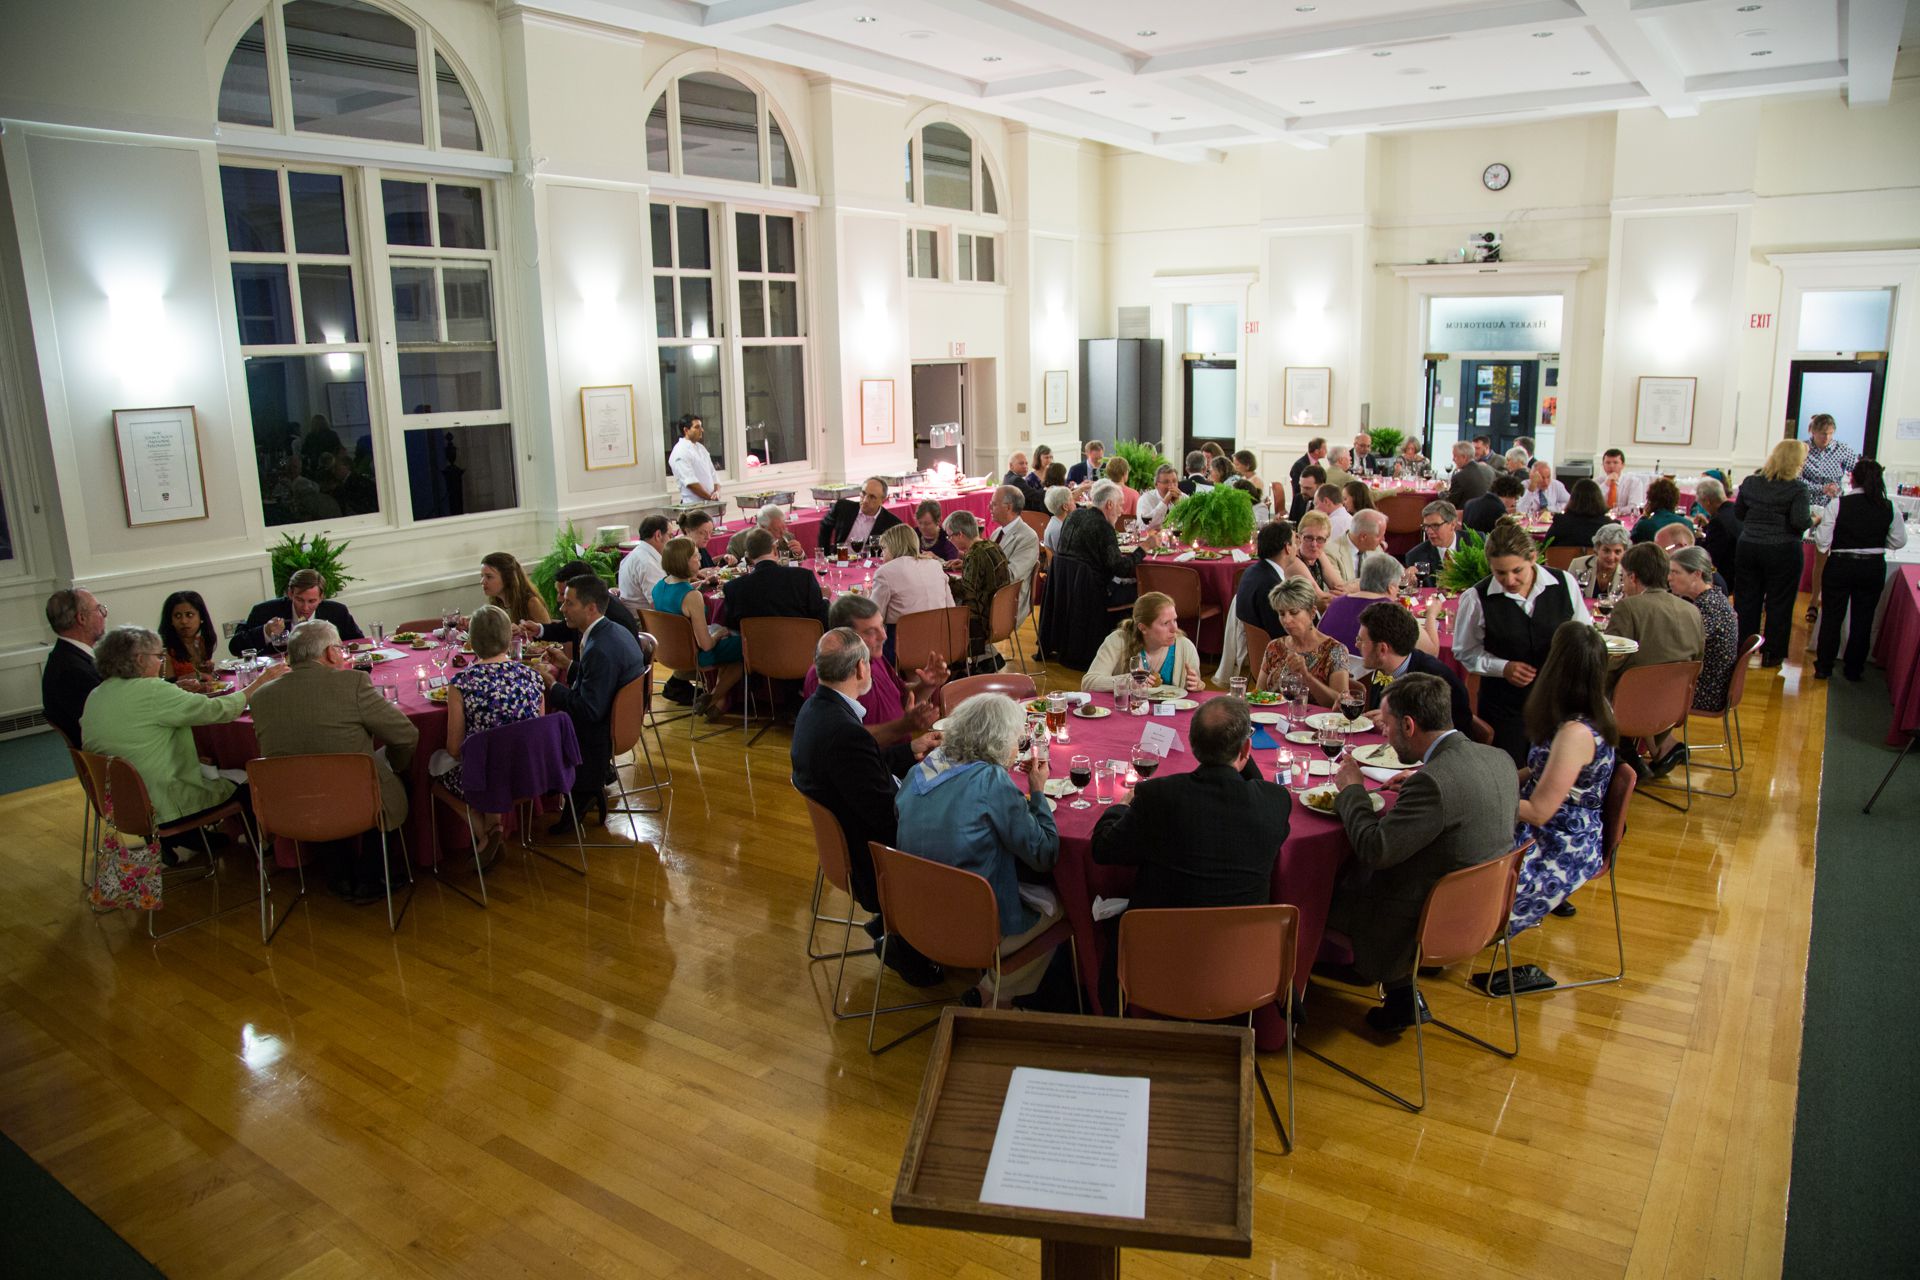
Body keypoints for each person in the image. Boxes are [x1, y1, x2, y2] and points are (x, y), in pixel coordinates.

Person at [1325, 673, 1519, 1030]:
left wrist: (1352, 790)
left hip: (1423, 921)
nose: (1384, 734)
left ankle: (1304, 989)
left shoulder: (1433, 783)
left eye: (1387, 725)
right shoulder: (1499, 758)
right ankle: (1401, 997)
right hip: (1485, 908)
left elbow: (1374, 849)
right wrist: (1421, 779)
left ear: (1409, 725)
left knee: (1320, 886)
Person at [791, 627, 943, 988]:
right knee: (967, 834)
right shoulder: (844, 733)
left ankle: (896, 923)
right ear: (861, 669)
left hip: (845, 844)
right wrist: (940, 806)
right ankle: (913, 941)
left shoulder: (815, 709)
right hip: (873, 860)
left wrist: (909, 750)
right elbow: (888, 818)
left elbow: (860, 771)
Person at [895, 693, 1062, 1002]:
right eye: (1017, 740)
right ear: (999, 741)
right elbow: (1044, 854)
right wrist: (1038, 792)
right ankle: (992, 994)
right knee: (1063, 905)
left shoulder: (920, 769)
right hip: (971, 926)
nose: (1018, 748)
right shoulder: (990, 780)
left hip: (912, 914)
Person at [250, 619, 421, 899]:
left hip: (289, 805)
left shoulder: (260, 697)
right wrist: (394, 765)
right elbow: (406, 736)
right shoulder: (351, 683)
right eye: (340, 649)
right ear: (331, 653)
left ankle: (339, 874)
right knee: (391, 781)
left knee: (314, 775)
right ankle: (372, 875)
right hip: (355, 799)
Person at [81, 626, 286, 840]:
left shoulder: (96, 695)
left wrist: (175, 691)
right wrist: (260, 683)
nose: (162, 662)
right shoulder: (153, 691)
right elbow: (218, 710)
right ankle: (263, 847)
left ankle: (198, 841)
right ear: (140, 660)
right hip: (162, 804)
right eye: (159, 657)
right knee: (250, 778)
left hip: (119, 804)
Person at [1091, 697, 1291, 911]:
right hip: (1247, 931)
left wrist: (1121, 806)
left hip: (1163, 931)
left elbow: (1103, 849)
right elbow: (1258, 787)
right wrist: (1242, 751)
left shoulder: (1158, 796)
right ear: (1246, 748)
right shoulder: (1276, 801)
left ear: (1192, 743)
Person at [1508, 622, 1618, 949]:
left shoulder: (1576, 734)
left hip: (1560, 840)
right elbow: (1538, 770)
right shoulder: (1589, 708)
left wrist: (1484, 798)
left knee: (1468, 864)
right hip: (1551, 826)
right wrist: (1491, 780)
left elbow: (1539, 812)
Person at [1454, 520, 1593, 764]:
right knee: (1509, 772)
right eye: (1500, 572)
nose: (1509, 580)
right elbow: (1465, 651)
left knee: (1555, 770)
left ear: (1533, 558)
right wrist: (1503, 667)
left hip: (1557, 702)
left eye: (1517, 570)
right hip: (1504, 709)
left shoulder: (1564, 583)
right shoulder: (1476, 598)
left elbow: (1582, 636)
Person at [430, 606, 549, 866]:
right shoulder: (533, 676)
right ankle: (493, 828)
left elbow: (454, 749)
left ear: (472, 643)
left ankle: (483, 830)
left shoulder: (462, 683)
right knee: (494, 759)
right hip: (528, 772)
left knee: (436, 782)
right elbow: (537, 732)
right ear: (508, 640)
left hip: (483, 779)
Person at [540, 574, 648, 830]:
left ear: (590, 608)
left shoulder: (599, 647)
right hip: (623, 719)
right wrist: (568, 665)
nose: (562, 609)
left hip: (600, 732)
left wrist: (552, 685)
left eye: (569, 603)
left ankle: (571, 790)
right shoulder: (613, 630)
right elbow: (602, 680)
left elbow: (588, 710)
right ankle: (574, 788)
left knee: (538, 726)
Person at [799, 595, 945, 760]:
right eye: (870, 631)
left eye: (882, 626)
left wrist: (926, 685)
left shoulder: (874, 657)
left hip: (902, 755)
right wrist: (903, 726)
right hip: (867, 764)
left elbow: (902, 698)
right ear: (846, 637)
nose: (884, 636)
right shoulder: (827, 674)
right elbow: (843, 741)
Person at [1604, 543, 1704, 776]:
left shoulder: (1628, 608)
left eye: (1624, 577)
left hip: (1630, 705)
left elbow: (1612, 661)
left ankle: (1616, 759)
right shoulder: (1692, 610)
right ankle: (1635, 753)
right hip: (1675, 703)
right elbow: (1698, 660)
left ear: (1633, 577)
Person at [1815, 457, 1906, 682]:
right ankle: (1854, 668)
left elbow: (1822, 542)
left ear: (1853, 478)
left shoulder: (1838, 504)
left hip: (1840, 564)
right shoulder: (1889, 506)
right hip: (1872, 566)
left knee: (1832, 617)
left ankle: (1824, 666)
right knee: (1863, 619)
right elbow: (1899, 541)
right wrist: (1878, 542)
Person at [1734, 438, 1812, 668]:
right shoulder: (1797, 488)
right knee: (1780, 602)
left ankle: (1743, 649)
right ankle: (1772, 653)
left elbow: (1739, 513)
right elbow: (1799, 521)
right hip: (1782, 548)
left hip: (1749, 546)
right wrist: (1814, 520)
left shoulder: (1751, 482)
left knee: (1746, 600)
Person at [651, 538, 744, 722]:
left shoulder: (659, 586)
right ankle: (714, 698)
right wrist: (719, 633)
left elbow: (679, 597)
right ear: (683, 562)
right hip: (693, 654)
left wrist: (700, 586)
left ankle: (718, 701)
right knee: (744, 647)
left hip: (668, 651)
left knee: (730, 649)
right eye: (695, 556)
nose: (700, 558)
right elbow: (706, 645)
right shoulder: (692, 597)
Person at [1355, 602, 1473, 738]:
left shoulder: (1435, 680)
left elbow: (1451, 737)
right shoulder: (1382, 668)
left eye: (1361, 640)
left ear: (1382, 649)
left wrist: (1394, 721)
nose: (1356, 644)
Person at [1665, 546, 1738, 762]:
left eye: (1675, 572)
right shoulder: (1712, 599)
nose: (1669, 578)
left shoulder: (1709, 607)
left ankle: (1662, 748)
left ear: (1696, 574)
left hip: (1706, 691)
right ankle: (1657, 747)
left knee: (1638, 689)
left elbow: (1680, 648)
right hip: (1710, 684)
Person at [1081, 591, 1202, 693]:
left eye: (1175, 620)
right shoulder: (1118, 641)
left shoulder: (1185, 647)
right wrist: (1126, 681)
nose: (1174, 628)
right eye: (1165, 623)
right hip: (1129, 711)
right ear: (1143, 628)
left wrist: (1197, 685)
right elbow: (1088, 683)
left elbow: (1198, 687)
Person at [1256, 578, 1352, 706]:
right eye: (1282, 613)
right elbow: (1259, 695)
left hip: (1317, 719)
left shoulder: (1334, 650)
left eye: (1294, 612)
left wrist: (1306, 677)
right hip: (1276, 717)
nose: (1287, 620)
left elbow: (1341, 703)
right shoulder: (1274, 647)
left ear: (1312, 612)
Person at [230, 568, 363, 656]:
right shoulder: (265, 611)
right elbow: (235, 648)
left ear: (321, 597)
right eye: (299, 600)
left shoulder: (337, 612)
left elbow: (359, 643)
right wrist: (266, 631)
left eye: (312, 601)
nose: (305, 607)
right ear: (290, 594)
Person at [1057, 480, 1144, 607]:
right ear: (1109, 504)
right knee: (1146, 590)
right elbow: (1121, 569)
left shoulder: (1073, 515)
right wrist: (1143, 548)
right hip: (1094, 594)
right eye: (1120, 505)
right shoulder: (1103, 526)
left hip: (1066, 589)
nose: (1121, 511)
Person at [41, 587, 107, 746]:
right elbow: (109, 716)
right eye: (99, 609)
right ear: (82, 618)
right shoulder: (72, 672)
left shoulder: (67, 657)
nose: (104, 614)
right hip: (107, 752)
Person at [723, 528, 829, 628]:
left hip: (755, 641)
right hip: (802, 639)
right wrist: (825, 598)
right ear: (775, 549)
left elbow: (733, 627)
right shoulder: (804, 577)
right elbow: (822, 619)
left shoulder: (732, 588)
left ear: (749, 556)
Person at [946, 510, 1012, 670]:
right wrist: (965, 565)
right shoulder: (992, 546)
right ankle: (988, 657)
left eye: (950, 536)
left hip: (984, 616)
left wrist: (945, 579)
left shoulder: (974, 555)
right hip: (1002, 612)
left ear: (960, 534)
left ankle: (959, 664)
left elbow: (967, 591)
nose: (949, 540)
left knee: (946, 615)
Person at [523, 561, 638, 647]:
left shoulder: (612, 623)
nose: (558, 600)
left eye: (564, 595)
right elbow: (565, 629)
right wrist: (538, 629)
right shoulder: (588, 610)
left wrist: (567, 666)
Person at [1235, 522, 1312, 646]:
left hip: (1250, 647)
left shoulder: (1251, 571)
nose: (1297, 547)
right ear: (1287, 547)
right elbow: (1282, 631)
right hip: (1272, 651)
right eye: (1294, 543)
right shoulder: (1272, 586)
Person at [870, 522, 954, 624]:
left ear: (892, 547)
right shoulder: (935, 565)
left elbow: (874, 617)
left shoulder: (884, 572)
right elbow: (951, 608)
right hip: (939, 630)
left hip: (903, 633)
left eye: (883, 548)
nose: (882, 554)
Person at [1320, 553, 1404, 652]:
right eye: (1398, 587)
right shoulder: (1391, 611)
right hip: (1368, 662)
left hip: (1327, 660)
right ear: (1391, 587)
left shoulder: (1334, 604)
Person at [989, 484, 1041, 624]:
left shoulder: (1028, 537)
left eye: (994, 504)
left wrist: (979, 570)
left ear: (1008, 507)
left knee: (960, 612)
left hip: (1009, 602)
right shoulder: (997, 532)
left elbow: (1010, 576)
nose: (989, 508)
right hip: (991, 594)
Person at [821, 477, 903, 556]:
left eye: (872, 497)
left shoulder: (893, 524)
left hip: (870, 564)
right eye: (863, 493)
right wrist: (826, 555)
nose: (865, 500)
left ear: (883, 501)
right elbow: (825, 526)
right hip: (840, 561)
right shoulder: (843, 507)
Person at [157, 590, 219, 682]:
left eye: (189, 615)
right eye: (177, 616)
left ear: (201, 617)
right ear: (170, 621)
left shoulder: (201, 642)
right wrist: (190, 677)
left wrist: (207, 672)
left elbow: (204, 679)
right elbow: (166, 686)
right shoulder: (164, 650)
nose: (184, 621)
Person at [478, 551, 551, 627]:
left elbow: (549, 633)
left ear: (507, 578)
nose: (482, 582)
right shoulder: (495, 605)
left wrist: (522, 632)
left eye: (489, 577)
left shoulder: (531, 603)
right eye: (482, 576)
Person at [1325, 509, 1388, 590]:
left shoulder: (1376, 549)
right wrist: (1371, 582)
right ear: (1363, 537)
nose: (1382, 540)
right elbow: (1339, 589)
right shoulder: (1330, 552)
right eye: (1379, 536)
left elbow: (1388, 577)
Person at [617, 516, 670, 609]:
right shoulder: (647, 563)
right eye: (670, 536)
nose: (672, 541)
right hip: (645, 617)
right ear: (658, 535)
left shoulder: (638, 553)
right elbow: (660, 604)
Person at [1692, 476, 1741, 576]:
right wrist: (1707, 526)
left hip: (1727, 574)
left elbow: (1710, 557)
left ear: (1708, 502)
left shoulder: (1718, 521)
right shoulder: (1737, 510)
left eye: (1701, 503)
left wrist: (1697, 539)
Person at [1567, 523, 1631, 597]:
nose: (1611, 557)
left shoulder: (1628, 571)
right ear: (1597, 549)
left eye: (1617, 552)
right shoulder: (1578, 564)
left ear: (1624, 552)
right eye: (1606, 550)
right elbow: (1566, 594)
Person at [1547, 479, 1612, 550]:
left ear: (1573, 499)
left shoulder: (1560, 523)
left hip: (1563, 557)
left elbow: (1544, 549)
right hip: (1596, 557)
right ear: (1599, 499)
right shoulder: (1608, 526)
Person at [668, 414, 719, 502]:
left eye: (701, 427)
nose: (702, 430)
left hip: (711, 502)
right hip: (693, 503)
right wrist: (710, 498)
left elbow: (713, 475)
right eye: (697, 427)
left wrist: (716, 492)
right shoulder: (680, 451)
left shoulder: (701, 448)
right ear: (686, 430)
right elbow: (691, 483)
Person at [727, 505, 805, 562]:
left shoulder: (788, 537)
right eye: (776, 529)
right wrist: (731, 560)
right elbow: (730, 567)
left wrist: (799, 553)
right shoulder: (738, 541)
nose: (782, 532)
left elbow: (801, 563)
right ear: (762, 528)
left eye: (784, 527)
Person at [1293, 511, 1338, 609]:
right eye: (1308, 538)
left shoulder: (1319, 554)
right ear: (1298, 537)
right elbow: (1322, 599)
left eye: (1320, 539)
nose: (1314, 544)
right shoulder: (1294, 561)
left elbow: (1338, 586)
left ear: (1326, 541)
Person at [1630, 477, 1690, 544]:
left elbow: (1633, 543)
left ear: (1650, 499)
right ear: (1676, 500)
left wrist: (1644, 516)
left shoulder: (1644, 525)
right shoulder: (1688, 524)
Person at [1443, 441, 1494, 509]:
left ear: (1464, 457)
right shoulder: (1489, 470)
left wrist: (1441, 492)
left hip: (1467, 513)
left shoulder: (1459, 477)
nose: (1453, 459)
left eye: (1455, 456)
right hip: (1489, 510)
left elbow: (1450, 504)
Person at [1597, 448, 1648, 515]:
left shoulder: (1634, 482)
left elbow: (1634, 508)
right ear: (1603, 465)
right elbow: (1593, 504)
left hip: (1623, 519)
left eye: (1615, 462)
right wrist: (1606, 484)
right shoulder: (1596, 482)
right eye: (1608, 463)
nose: (1611, 466)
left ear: (1623, 465)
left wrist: (1612, 512)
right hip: (1601, 519)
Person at [1135, 464, 1182, 529]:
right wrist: (1165, 502)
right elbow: (1142, 527)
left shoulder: (1184, 498)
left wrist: (1179, 505)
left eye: (1174, 481)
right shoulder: (1145, 499)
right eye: (1166, 482)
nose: (1171, 486)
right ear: (1156, 484)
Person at [1314, 483, 1353, 547]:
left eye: (1316, 504)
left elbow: (1321, 548)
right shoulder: (1351, 519)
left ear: (1326, 501)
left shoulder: (1330, 524)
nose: (1315, 509)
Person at [1041, 485, 1073, 553]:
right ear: (1065, 507)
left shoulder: (1055, 521)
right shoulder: (1061, 530)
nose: (1075, 502)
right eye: (1072, 500)